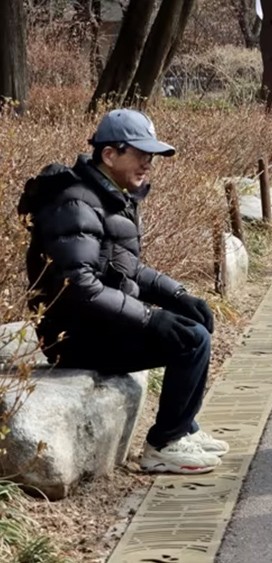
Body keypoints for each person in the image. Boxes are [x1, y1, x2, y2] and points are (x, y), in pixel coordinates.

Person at [17, 109, 228, 474]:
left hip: (96, 324)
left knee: (192, 324)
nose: (148, 164)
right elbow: (80, 286)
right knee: (190, 339)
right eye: (140, 154)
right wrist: (151, 317)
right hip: (72, 337)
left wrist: (177, 296)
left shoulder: (112, 196)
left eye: (151, 156)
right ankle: (164, 445)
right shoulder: (77, 203)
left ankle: (183, 428)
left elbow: (124, 268)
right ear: (109, 154)